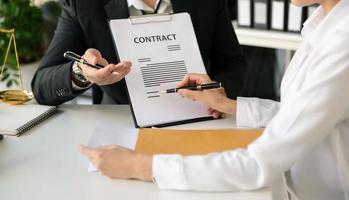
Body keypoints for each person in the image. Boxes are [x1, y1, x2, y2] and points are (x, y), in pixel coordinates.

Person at [80, 0, 349, 199]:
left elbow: (258, 164)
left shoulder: (342, 42)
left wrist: (141, 165)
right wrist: (230, 105)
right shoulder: (323, 24)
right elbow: (300, 113)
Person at [31, 0, 247, 105]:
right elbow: (42, 85)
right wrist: (81, 72)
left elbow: (232, 64)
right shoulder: (84, 3)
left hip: (197, 114)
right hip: (120, 120)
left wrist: (219, 94)